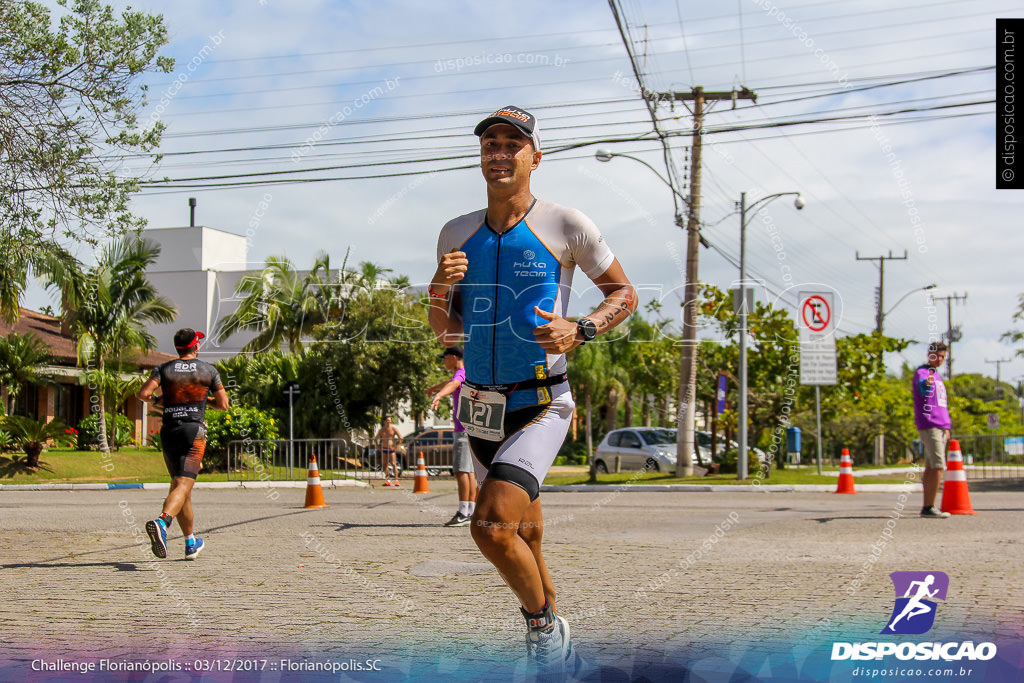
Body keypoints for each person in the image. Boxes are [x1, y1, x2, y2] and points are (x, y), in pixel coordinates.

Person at [427, 105, 636, 675]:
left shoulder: (566, 224)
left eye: (513, 144)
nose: (499, 151)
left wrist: (582, 327)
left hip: (542, 401)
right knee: (526, 533)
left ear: (534, 158)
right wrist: (436, 291)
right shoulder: (455, 231)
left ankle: (545, 628)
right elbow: (447, 330)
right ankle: (557, 648)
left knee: (492, 525)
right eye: (490, 143)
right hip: (483, 408)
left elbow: (624, 292)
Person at [138, 328, 229, 559]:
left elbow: (143, 394)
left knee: (180, 486)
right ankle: (162, 522)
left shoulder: (164, 368)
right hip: (193, 432)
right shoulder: (208, 370)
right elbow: (223, 404)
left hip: (169, 431)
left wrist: (161, 400)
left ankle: (190, 542)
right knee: (183, 485)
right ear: (195, 346)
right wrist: (200, 400)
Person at [425, 346, 476, 527]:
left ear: (453, 357)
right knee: (469, 472)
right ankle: (471, 510)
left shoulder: (460, 374)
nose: (443, 361)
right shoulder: (467, 372)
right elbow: (450, 381)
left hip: (462, 430)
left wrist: (438, 395)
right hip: (470, 429)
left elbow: (453, 384)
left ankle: (463, 513)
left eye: (445, 358)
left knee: (461, 471)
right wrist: (434, 387)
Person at [913, 341, 952, 518]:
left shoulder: (937, 375)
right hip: (930, 424)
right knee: (938, 466)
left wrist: (946, 426)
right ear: (930, 355)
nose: (940, 360)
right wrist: (927, 382)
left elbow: (940, 404)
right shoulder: (924, 372)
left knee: (931, 467)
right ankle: (929, 507)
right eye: (937, 356)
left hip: (940, 425)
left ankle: (928, 506)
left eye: (943, 356)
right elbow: (922, 387)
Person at [375, 416, 403, 486]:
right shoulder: (382, 430)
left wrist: (397, 446)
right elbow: (376, 438)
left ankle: (396, 480)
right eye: (388, 421)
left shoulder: (393, 429)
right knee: (385, 464)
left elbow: (401, 437)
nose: (389, 422)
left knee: (393, 463)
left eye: (390, 421)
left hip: (391, 449)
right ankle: (388, 480)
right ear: (384, 422)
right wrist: (377, 446)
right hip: (384, 448)